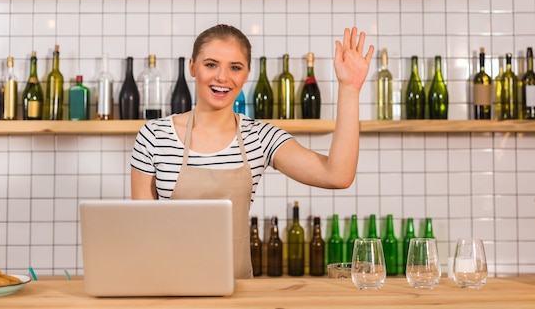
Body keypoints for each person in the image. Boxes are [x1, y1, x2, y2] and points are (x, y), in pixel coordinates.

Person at [130, 24, 374, 279]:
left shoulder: (260, 137)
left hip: (238, 292)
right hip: (168, 288)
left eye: (235, 67)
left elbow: (337, 175)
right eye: (211, 64)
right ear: (192, 67)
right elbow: (143, 228)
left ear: (247, 73)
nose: (222, 77)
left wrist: (349, 88)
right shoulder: (154, 135)